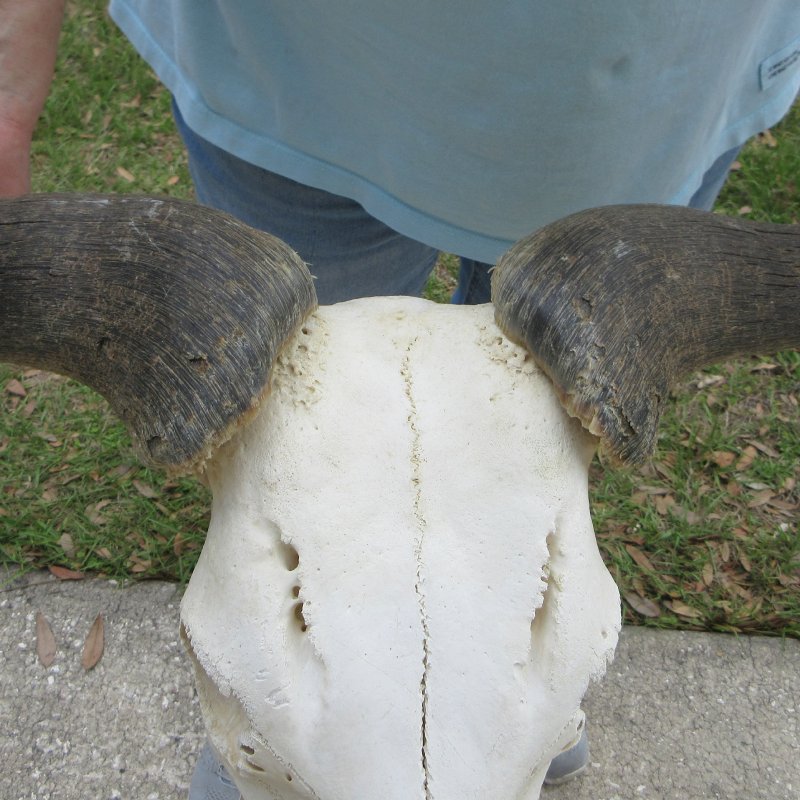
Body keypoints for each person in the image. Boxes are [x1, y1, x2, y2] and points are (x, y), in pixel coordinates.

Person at [2, 2, 800, 797]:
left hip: (653, 98)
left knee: (540, 432)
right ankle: (276, 739)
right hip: (296, 73)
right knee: (290, 442)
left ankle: (509, 677)